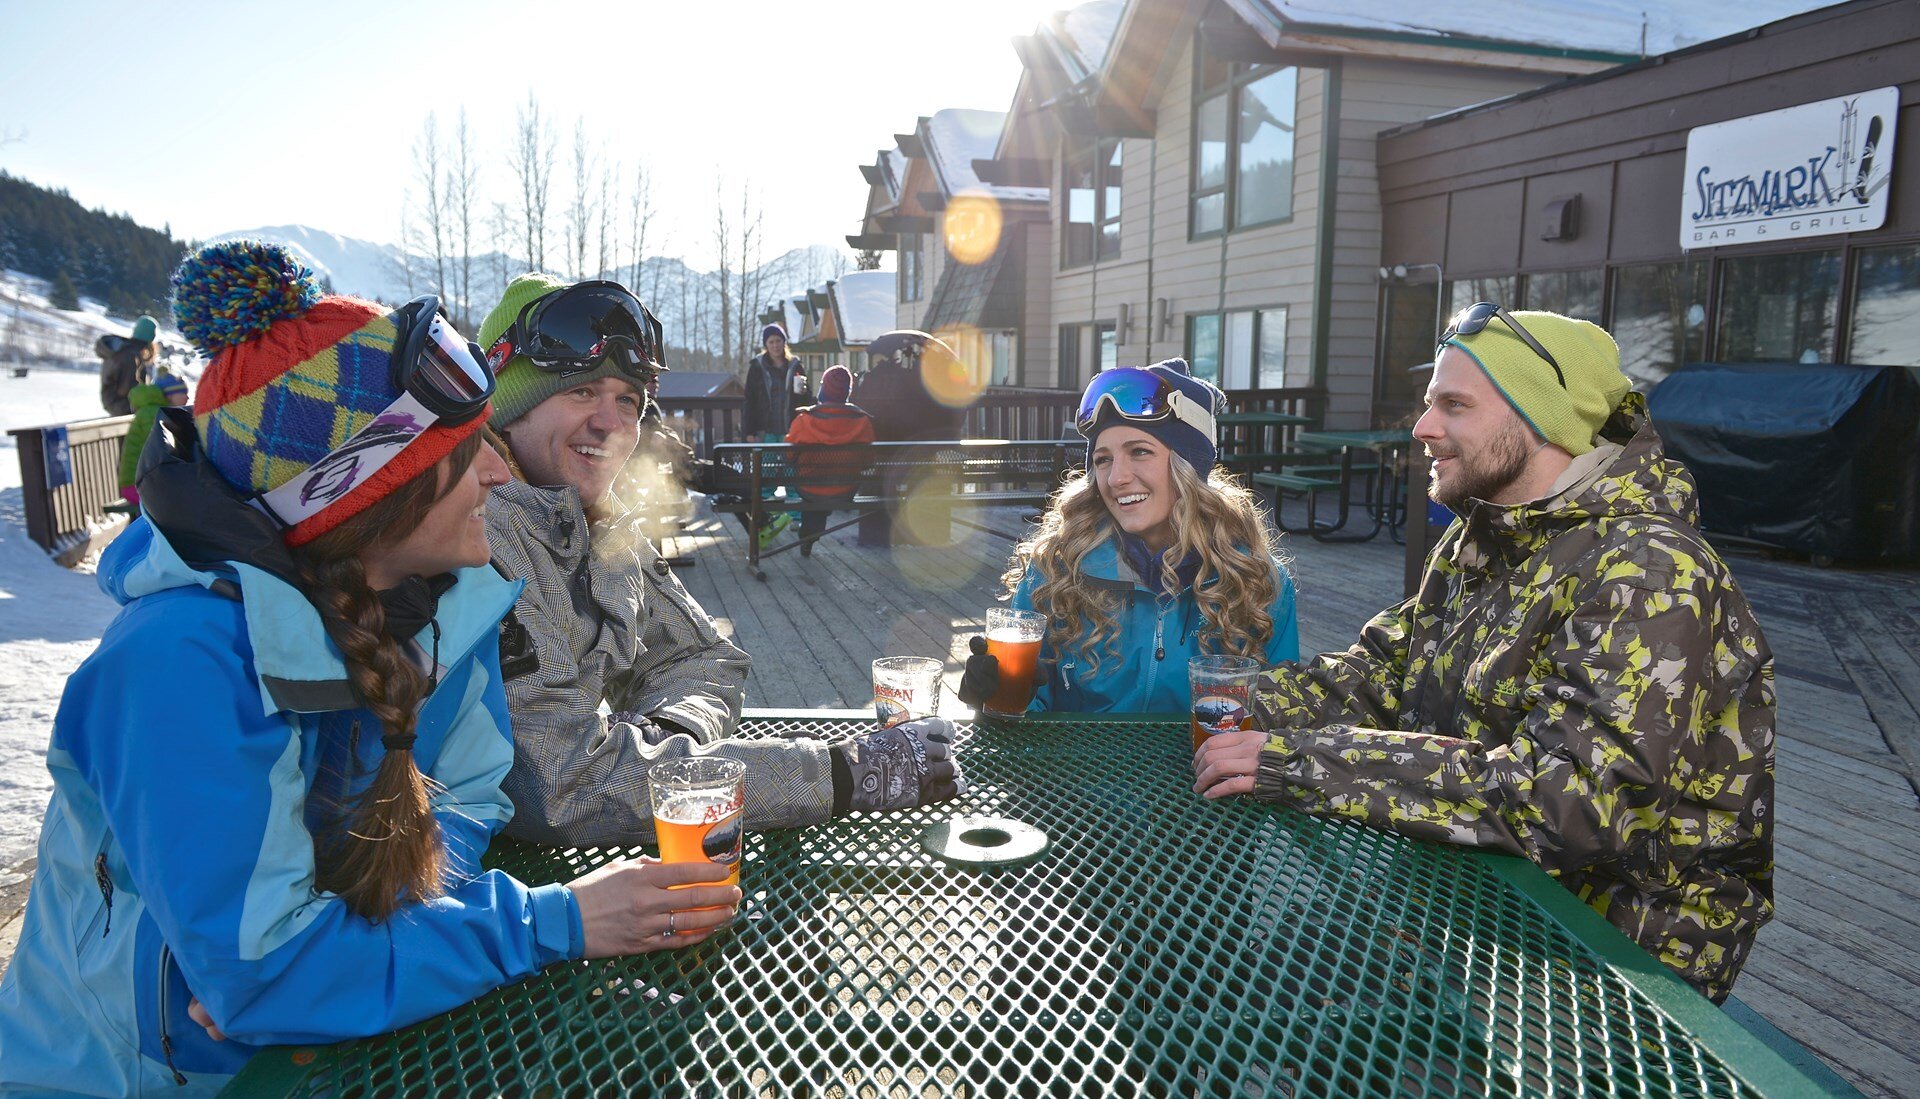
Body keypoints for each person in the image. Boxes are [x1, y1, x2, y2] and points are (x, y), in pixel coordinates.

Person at [0, 242, 740, 1096]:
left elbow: (470, 788)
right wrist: (551, 921)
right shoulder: (179, 663)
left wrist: (369, 912)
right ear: (368, 492)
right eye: (464, 456)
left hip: (325, 1047)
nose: (497, 471)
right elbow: (268, 975)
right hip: (120, 1078)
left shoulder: (449, 607)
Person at [1192, 305, 1775, 1004]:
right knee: (1226, 982)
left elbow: (1569, 803)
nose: (1422, 427)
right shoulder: (1487, 536)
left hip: (1607, 966)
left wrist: (1298, 761)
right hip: (1473, 906)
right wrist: (1233, 703)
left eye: (1454, 405)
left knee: (1276, 1008)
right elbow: (1381, 672)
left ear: (1540, 420)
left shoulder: (1652, 569)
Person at [477, 275, 963, 851]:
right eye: (581, 392)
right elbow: (563, 787)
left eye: (628, 400)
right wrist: (839, 773)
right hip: (470, 894)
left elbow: (706, 655)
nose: (611, 424)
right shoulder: (477, 534)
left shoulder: (598, 521)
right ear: (510, 404)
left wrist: (668, 740)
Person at [958, 359, 1300, 713]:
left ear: (1189, 466)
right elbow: (1022, 716)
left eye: (1140, 452)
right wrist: (994, 703)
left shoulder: (1259, 581)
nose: (1116, 478)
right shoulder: (1056, 569)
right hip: (1076, 767)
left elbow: (1277, 720)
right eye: (1103, 459)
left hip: (1205, 768)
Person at [784, 365, 875, 558]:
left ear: (823, 389)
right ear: (847, 392)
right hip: (846, 488)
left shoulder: (804, 420)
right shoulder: (862, 421)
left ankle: (808, 536)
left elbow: (789, 457)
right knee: (827, 486)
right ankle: (810, 533)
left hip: (810, 488)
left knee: (815, 489)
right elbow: (868, 462)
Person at [116, 371, 189, 509]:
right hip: (138, 483)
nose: (187, 397)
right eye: (183, 392)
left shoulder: (156, 411)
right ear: (170, 395)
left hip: (143, 481)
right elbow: (163, 447)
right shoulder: (153, 413)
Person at [96, 313, 158, 415]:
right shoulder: (130, 355)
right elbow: (130, 388)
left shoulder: (123, 350)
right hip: (123, 405)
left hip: (113, 402)